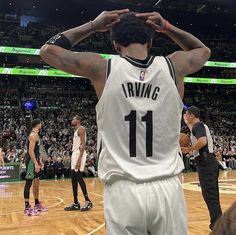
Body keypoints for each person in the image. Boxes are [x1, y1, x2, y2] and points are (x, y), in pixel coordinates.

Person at [40, 10, 210, 235]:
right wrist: (167, 26)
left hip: (123, 190)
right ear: (150, 42)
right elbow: (203, 51)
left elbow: (48, 51)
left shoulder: (102, 68)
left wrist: (93, 25)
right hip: (167, 188)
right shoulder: (174, 66)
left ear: (115, 44)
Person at [182, 106, 222, 230]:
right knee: (211, 195)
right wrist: (185, 121)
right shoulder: (197, 126)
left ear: (192, 116)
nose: (186, 117)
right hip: (207, 162)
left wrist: (189, 149)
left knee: (210, 196)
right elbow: (195, 133)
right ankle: (218, 223)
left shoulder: (198, 126)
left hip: (206, 162)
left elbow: (203, 141)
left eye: (187, 115)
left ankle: (217, 226)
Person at [64, 116, 93, 211]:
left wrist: (79, 159)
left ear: (78, 121)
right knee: (73, 178)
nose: (72, 120)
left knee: (79, 177)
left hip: (79, 153)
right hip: (75, 153)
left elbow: (83, 144)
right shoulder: (76, 130)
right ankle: (76, 203)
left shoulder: (81, 129)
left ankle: (88, 201)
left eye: (74, 119)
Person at [23, 119, 48, 216]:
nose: (41, 125)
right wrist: (35, 163)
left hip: (35, 160)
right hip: (30, 162)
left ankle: (37, 204)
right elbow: (30, 151)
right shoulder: (33, 135)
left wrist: (39, 161)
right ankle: (27, 207)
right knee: (28, 183)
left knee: (36, 183)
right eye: (41, 123)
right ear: (38, 125)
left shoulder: (36, 135)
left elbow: (37, 151)